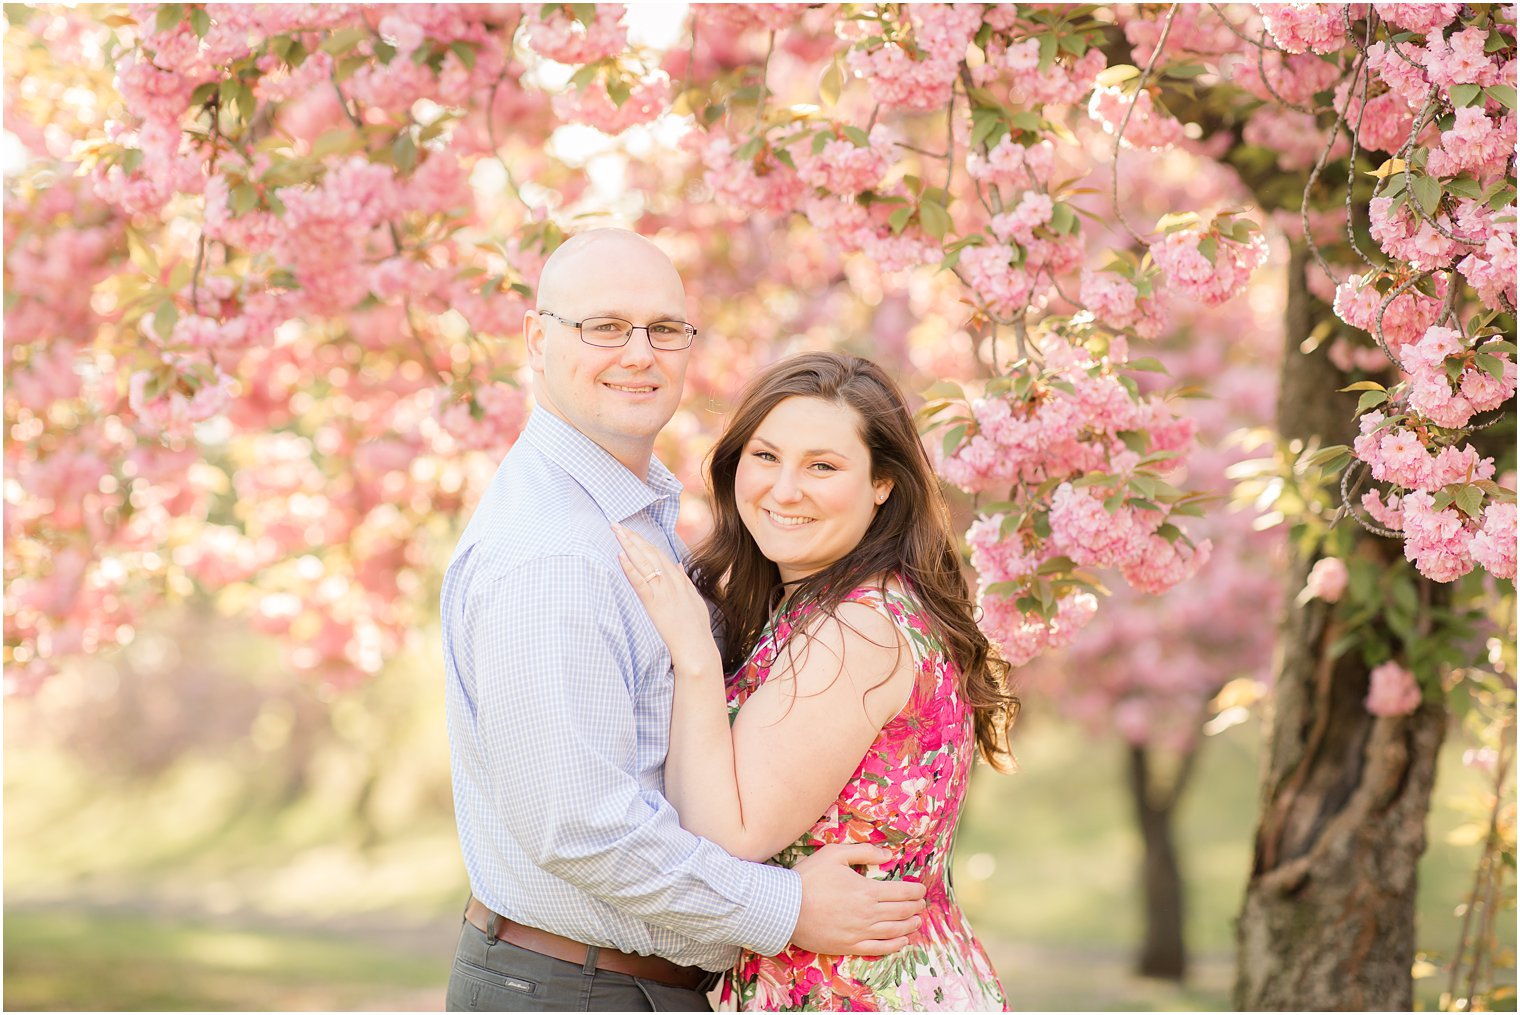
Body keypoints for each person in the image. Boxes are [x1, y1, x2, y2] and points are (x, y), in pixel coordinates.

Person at [441, 230, 928, 1013]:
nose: (640, 353)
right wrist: (788, 908)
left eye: (664, 329)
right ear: (537, 338)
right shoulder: (556, 553)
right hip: (577, 989)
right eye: (604, 326)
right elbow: (577, 828)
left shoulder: (630, 518)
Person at [613, 351, 1016, 1011]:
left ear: (883, 482)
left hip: (857, 991)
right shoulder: (841, 606)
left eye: (822, 466)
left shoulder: (859, 630)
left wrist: (693, 657)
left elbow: (727, 834)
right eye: (766, 456)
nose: (784, 489)